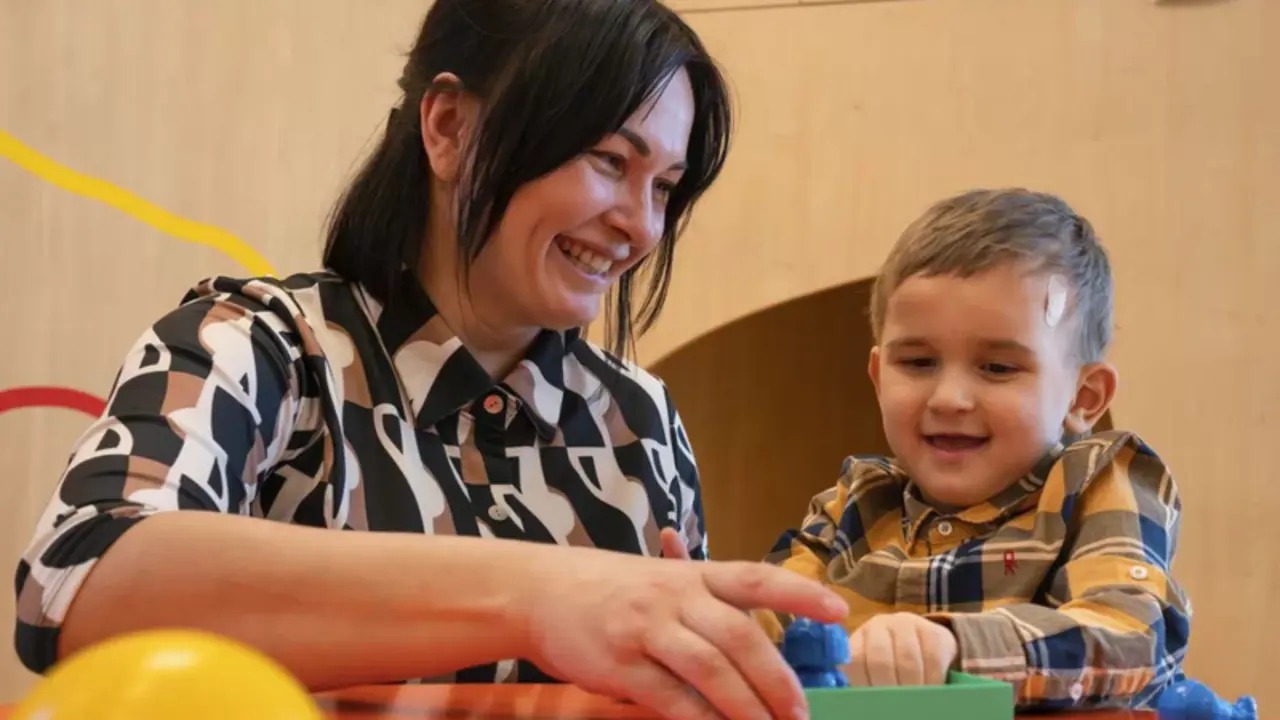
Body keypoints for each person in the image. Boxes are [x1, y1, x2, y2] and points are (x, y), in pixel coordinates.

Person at [12, 2, 849, 719]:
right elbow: (77, 577)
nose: (640, 225)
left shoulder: (640, 420)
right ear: (449, 127)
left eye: (665, 186)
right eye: (608, 161)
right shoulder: (260, 346)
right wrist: (540, 594)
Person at [754, 188, 1192, 710]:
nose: (949, 399)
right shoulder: (851, 504)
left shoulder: (1098, 482)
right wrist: (703, 612)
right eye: (917, 362)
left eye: (998, 368)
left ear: (1083, 396)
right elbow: (768, 623)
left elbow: (1131, 635)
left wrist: (954, 643)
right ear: (877, 377)